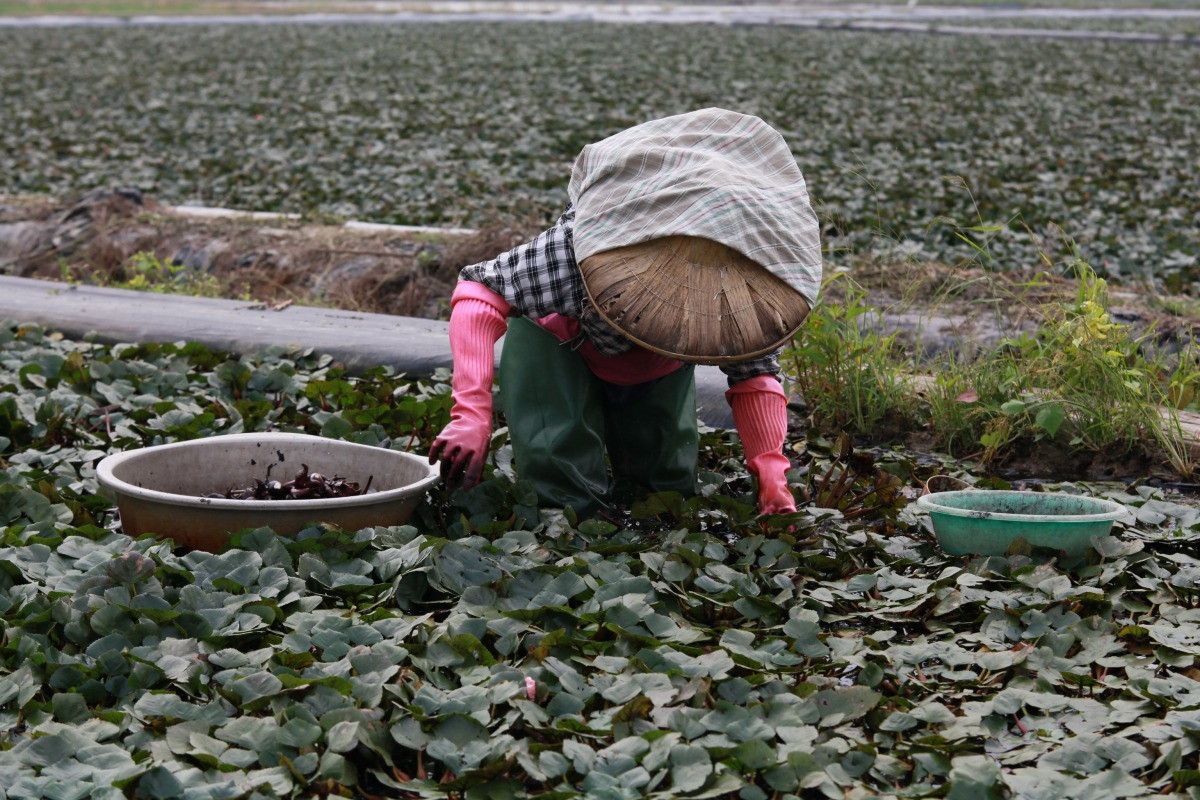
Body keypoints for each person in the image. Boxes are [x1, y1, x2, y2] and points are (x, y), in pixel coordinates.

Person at [427, 108, 823, 519]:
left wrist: (771, 471)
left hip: (657, 364)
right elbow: (479, 293)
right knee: (563, 487)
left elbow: (754, 375)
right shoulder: (582, 246)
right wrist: (471, 413)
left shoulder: (744, 285)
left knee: (666, 492)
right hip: (564, 344)